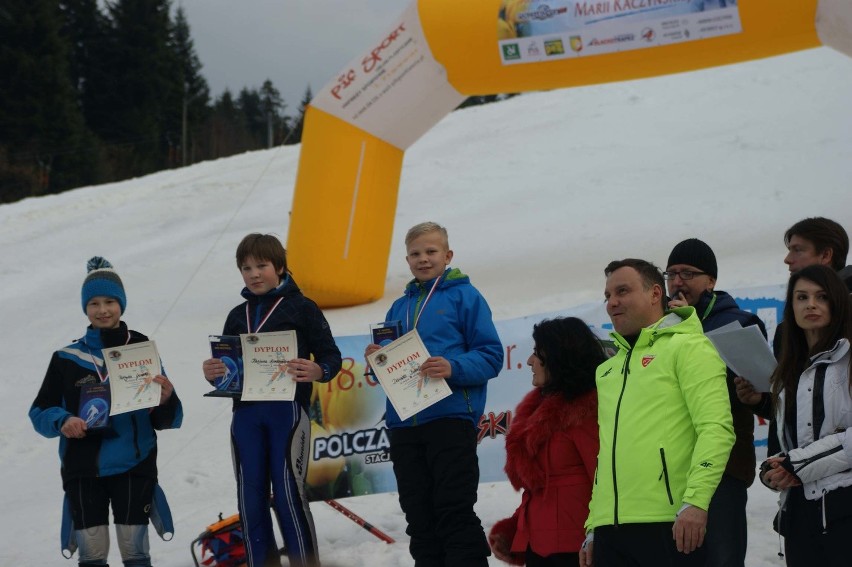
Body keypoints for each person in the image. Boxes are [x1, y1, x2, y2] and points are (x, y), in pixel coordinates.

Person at [364, 221, 504, 567]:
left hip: (449, 418)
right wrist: (377, 362)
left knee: (453, 510)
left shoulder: (465, 297)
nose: (423, 259)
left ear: (447, 255)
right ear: (407, 259)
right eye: (415, 253)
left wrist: (452, 367)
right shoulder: (398, 308)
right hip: (404, 425)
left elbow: (491, 355)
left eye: (431, 251)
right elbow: (389, 373)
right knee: (419, 519)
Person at [580, 258, 734, 567]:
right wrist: (594, 526)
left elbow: (716, 429)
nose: (612, 303)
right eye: (607, 296)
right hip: (611, 528)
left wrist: (696, 502)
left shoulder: (690, 348)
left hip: (671, 522)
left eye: (622, 291)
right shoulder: (608, 369)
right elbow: (606, 452)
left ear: (654, 294)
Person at [30, 257, 183, 567]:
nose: (103, 310)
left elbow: (165, 416)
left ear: (121, 304)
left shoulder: (140, 348)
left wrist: (166, 398)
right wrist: (63, 420)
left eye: (110, 301)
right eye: (94, 303)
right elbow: (40, 410)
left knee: (135, 552)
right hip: (83, 468)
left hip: (134, 463)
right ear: (85, 308)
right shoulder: (66, 358)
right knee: (92, 554)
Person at [201, 233, 342, 567]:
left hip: (287, 413)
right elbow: (228, 368)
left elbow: (331, 356)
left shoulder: (302, 307)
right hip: (246, 415)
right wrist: (214, 372)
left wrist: (318, 369)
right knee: (250, 499)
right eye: (246, 268)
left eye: (261, 265)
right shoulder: (238, 315)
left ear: (279, 266)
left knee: (287, 495)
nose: (254, 274)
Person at [665, 238, 767, 567]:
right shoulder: (661, 328)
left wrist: (753, 396)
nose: (677, 282)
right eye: (671, 273)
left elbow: (768, 398)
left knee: (721, 558)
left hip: (724, 466)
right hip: (672, 468)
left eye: (687, 273)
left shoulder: (739, 323)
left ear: (711, 281)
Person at [488, 317, 603, 566]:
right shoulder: (538, 410)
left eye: (537, 354)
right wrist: (514, 528)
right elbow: (543, 491)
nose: (529, 361)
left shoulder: (585, 412)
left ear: (559, 357)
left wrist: (599, 537)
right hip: (539, 549)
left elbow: (605, 483)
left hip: (578, 550)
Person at [758, 264, 852, 566]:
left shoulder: (848, 361)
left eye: (821, 296)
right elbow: (791, 443)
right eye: (801, 297)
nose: (811, 304)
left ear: (837, 303)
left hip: (843, 514)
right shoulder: (788, 372)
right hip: (798, 515)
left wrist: (798, 464)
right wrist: (774, 470)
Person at [735, 217, 851, 454]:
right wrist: (760, 400)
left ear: (826, 255)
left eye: (798, 250)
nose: (787, 259)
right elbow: (793, 410)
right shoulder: (787, 330)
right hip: (791, 474)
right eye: (801, 298)